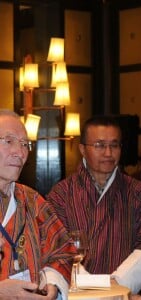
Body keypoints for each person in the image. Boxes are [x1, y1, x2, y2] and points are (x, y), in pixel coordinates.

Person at [46, 115, 141, 294]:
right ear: (82, 149)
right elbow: (55, 248)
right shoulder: (61, 194)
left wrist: (115, 284)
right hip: (76, 293)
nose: (108, 153)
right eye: (99, 145)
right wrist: (90, 285)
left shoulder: (138, 193)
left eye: (114, 145)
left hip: (122, 291)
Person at [0, 110, 75, 299]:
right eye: (9, 141)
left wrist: (52, 280)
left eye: (25, 144)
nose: (19, 152)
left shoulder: (31, 200)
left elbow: (64, 249)